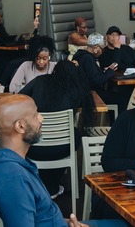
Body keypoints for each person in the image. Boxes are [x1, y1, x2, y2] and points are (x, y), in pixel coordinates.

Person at [0, 94, 123, 227]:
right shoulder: (14, 179)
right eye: (35, 115)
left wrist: (65, 222)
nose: (41, 118)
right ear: (20, 126)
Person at [21, 60, 96, 197]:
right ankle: (52, 185)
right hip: (62, 147)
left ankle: (44, 185)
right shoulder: (75, 88)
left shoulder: (39, 81)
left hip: (35, 145)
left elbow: (20, 96)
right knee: (75, 136)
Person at [72, 33, 122, 110]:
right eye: (102, 49)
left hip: (83, 93)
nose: (102, 52)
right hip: (91, 94)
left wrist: (104, 70)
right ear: (95, 48)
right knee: (121, 99)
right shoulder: (88, 59)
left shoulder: (80, 55)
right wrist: (110, 71)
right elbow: (98, 81)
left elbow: (90, 75)